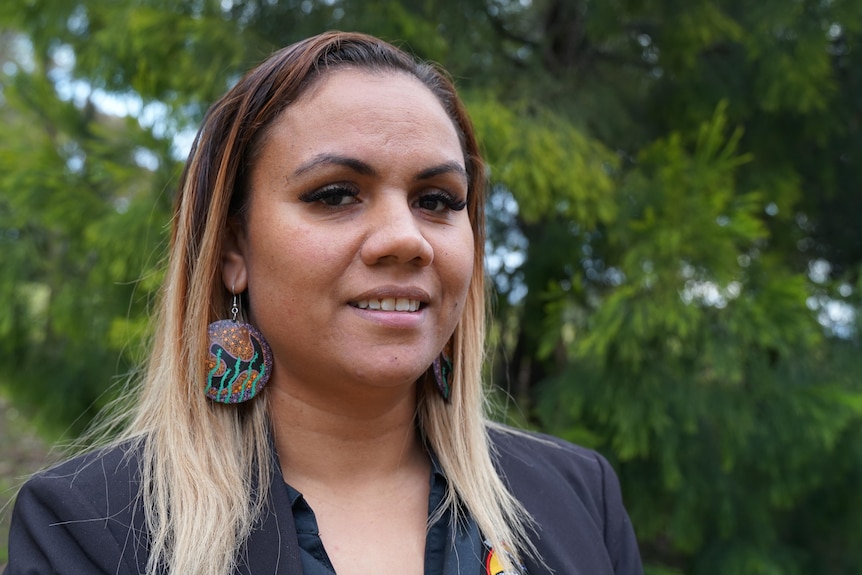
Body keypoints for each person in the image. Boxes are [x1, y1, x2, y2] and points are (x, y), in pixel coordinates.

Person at [4, 31, 643, 575]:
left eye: (438, 200)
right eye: (336, 194)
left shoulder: (578, 499)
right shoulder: (86, 530)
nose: (406, 239)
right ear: (233, 248)